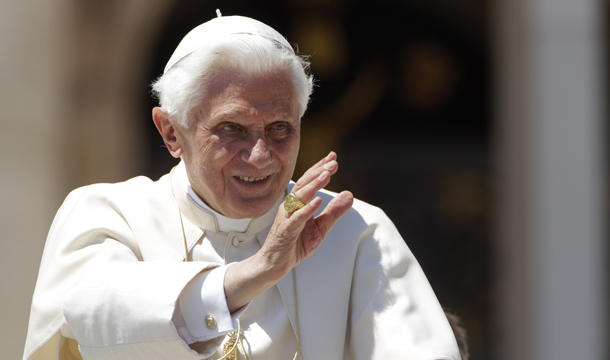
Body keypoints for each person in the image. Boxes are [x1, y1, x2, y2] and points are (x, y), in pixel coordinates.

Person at [23, 12, 462, 360]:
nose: (260, 156)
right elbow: (88, 318)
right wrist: (253, 274)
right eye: (232, 129)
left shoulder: (357, 230)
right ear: (171, 132)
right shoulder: (107, 215)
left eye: (279, 128)